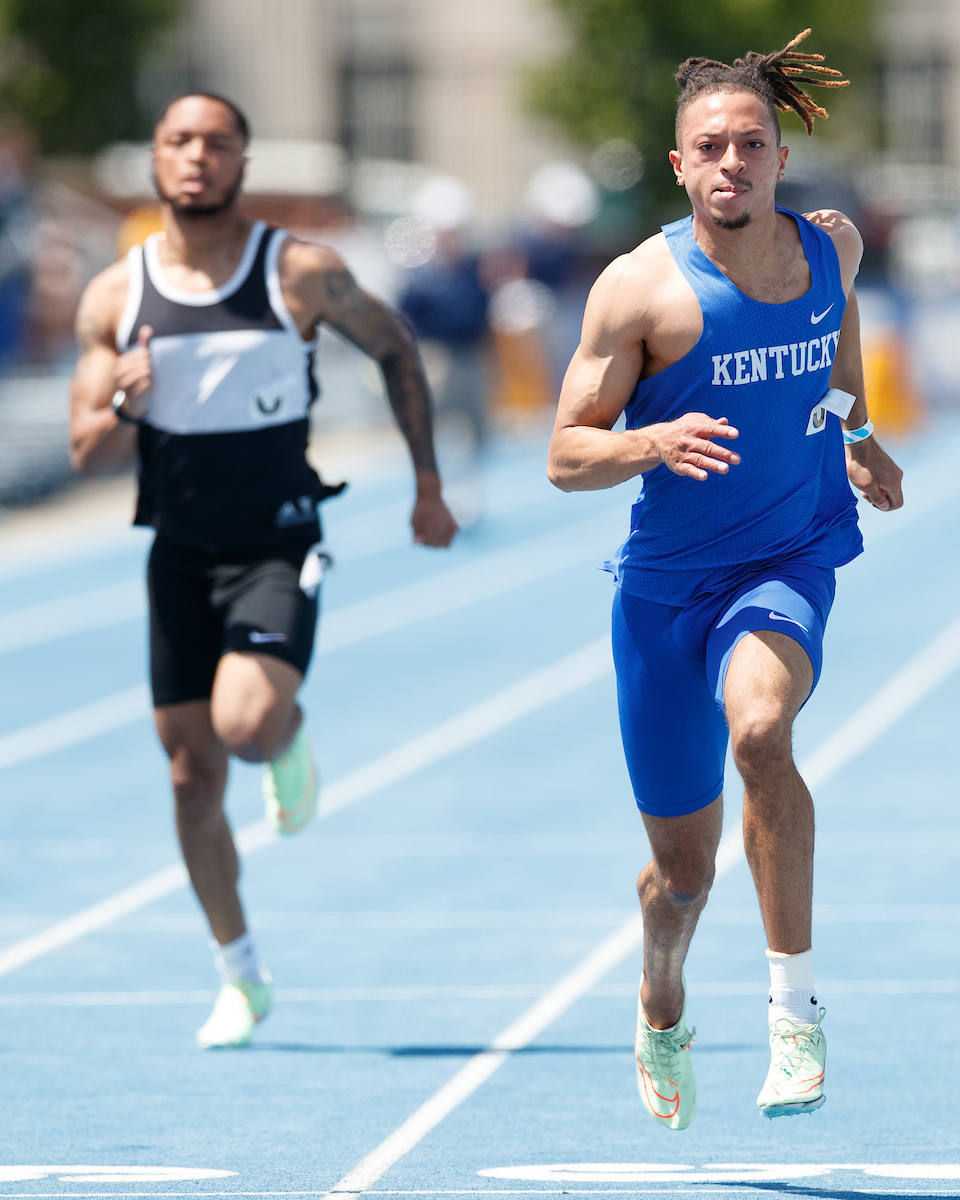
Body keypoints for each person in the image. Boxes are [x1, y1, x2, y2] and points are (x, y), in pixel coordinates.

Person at [548, 30, 903, 1127]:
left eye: (753, 143)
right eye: (713, 147)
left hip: (789, 555)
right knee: (682, 878)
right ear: (681, 165)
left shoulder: (829, 251)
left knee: (762, 732)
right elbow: (566, 452)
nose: (733, 163)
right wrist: (648, 446)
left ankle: (794, 1015)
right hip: (665, 591)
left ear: (781, 158)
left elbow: (836, 351)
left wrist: (856, 433)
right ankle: (662, 995)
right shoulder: (638, 291)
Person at [69, 92, 458, 1049]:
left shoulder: (298, 273)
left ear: (243, 159)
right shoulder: (116, 296)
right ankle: (239, 973)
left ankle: (283, 732)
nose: (196, 158)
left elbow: (395, 349)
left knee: (244, 729)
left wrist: (427, 483)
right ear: (155, 159)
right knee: (190, 780)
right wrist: (123, 405)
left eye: (216, 143)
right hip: (178, 553)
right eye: (178, 142)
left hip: (278, 539)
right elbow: (88, 453)